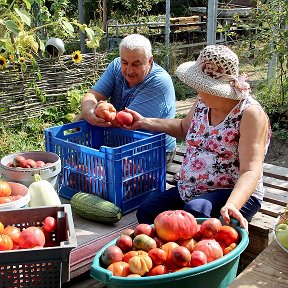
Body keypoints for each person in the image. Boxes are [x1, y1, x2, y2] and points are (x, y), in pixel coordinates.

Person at [123, 45, 271, 231]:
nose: (198, 90)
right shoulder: (204, 100)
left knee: (196, 213)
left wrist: (233, 204)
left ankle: (199, 257)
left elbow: (251, 171)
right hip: (191, 189)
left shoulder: (250, 114)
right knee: (148, 210)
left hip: (234, 193)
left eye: (203, 86)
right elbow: (183, 127)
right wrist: (144, 121)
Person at [75, 34, 176, 163]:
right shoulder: (116, 66)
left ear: (149, 61)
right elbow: (93, 95)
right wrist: (87, 111)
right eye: (125, 62)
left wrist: (86, 115)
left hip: (153, 151)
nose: (129, 70)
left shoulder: (159, 82)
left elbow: (126, 121)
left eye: (136, 64)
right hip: (119, 145)